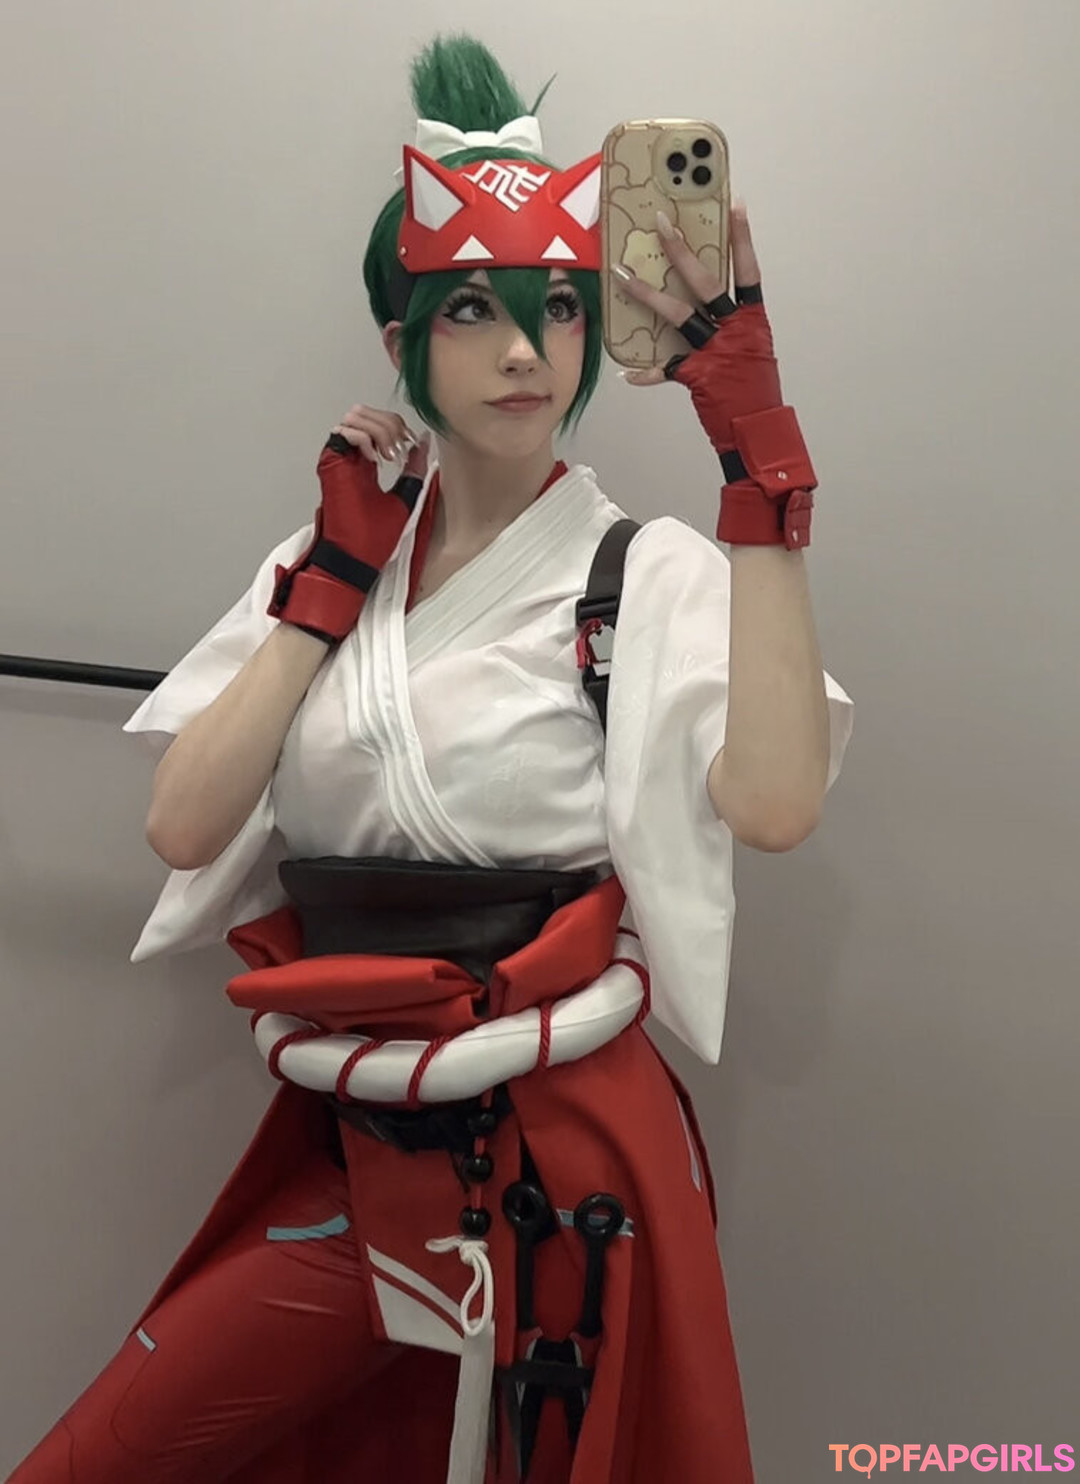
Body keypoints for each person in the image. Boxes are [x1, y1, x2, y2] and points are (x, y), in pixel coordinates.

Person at [12, 31, 854, 1484]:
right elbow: (184, 824)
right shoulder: (331, 555)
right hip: (361, 1150)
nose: (526, 352)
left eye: (558, 308)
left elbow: (774, 806)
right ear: (403, 333)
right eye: (473, 308)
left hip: (558, 1160)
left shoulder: (638, 572)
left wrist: (760, 461)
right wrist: (329, 586)